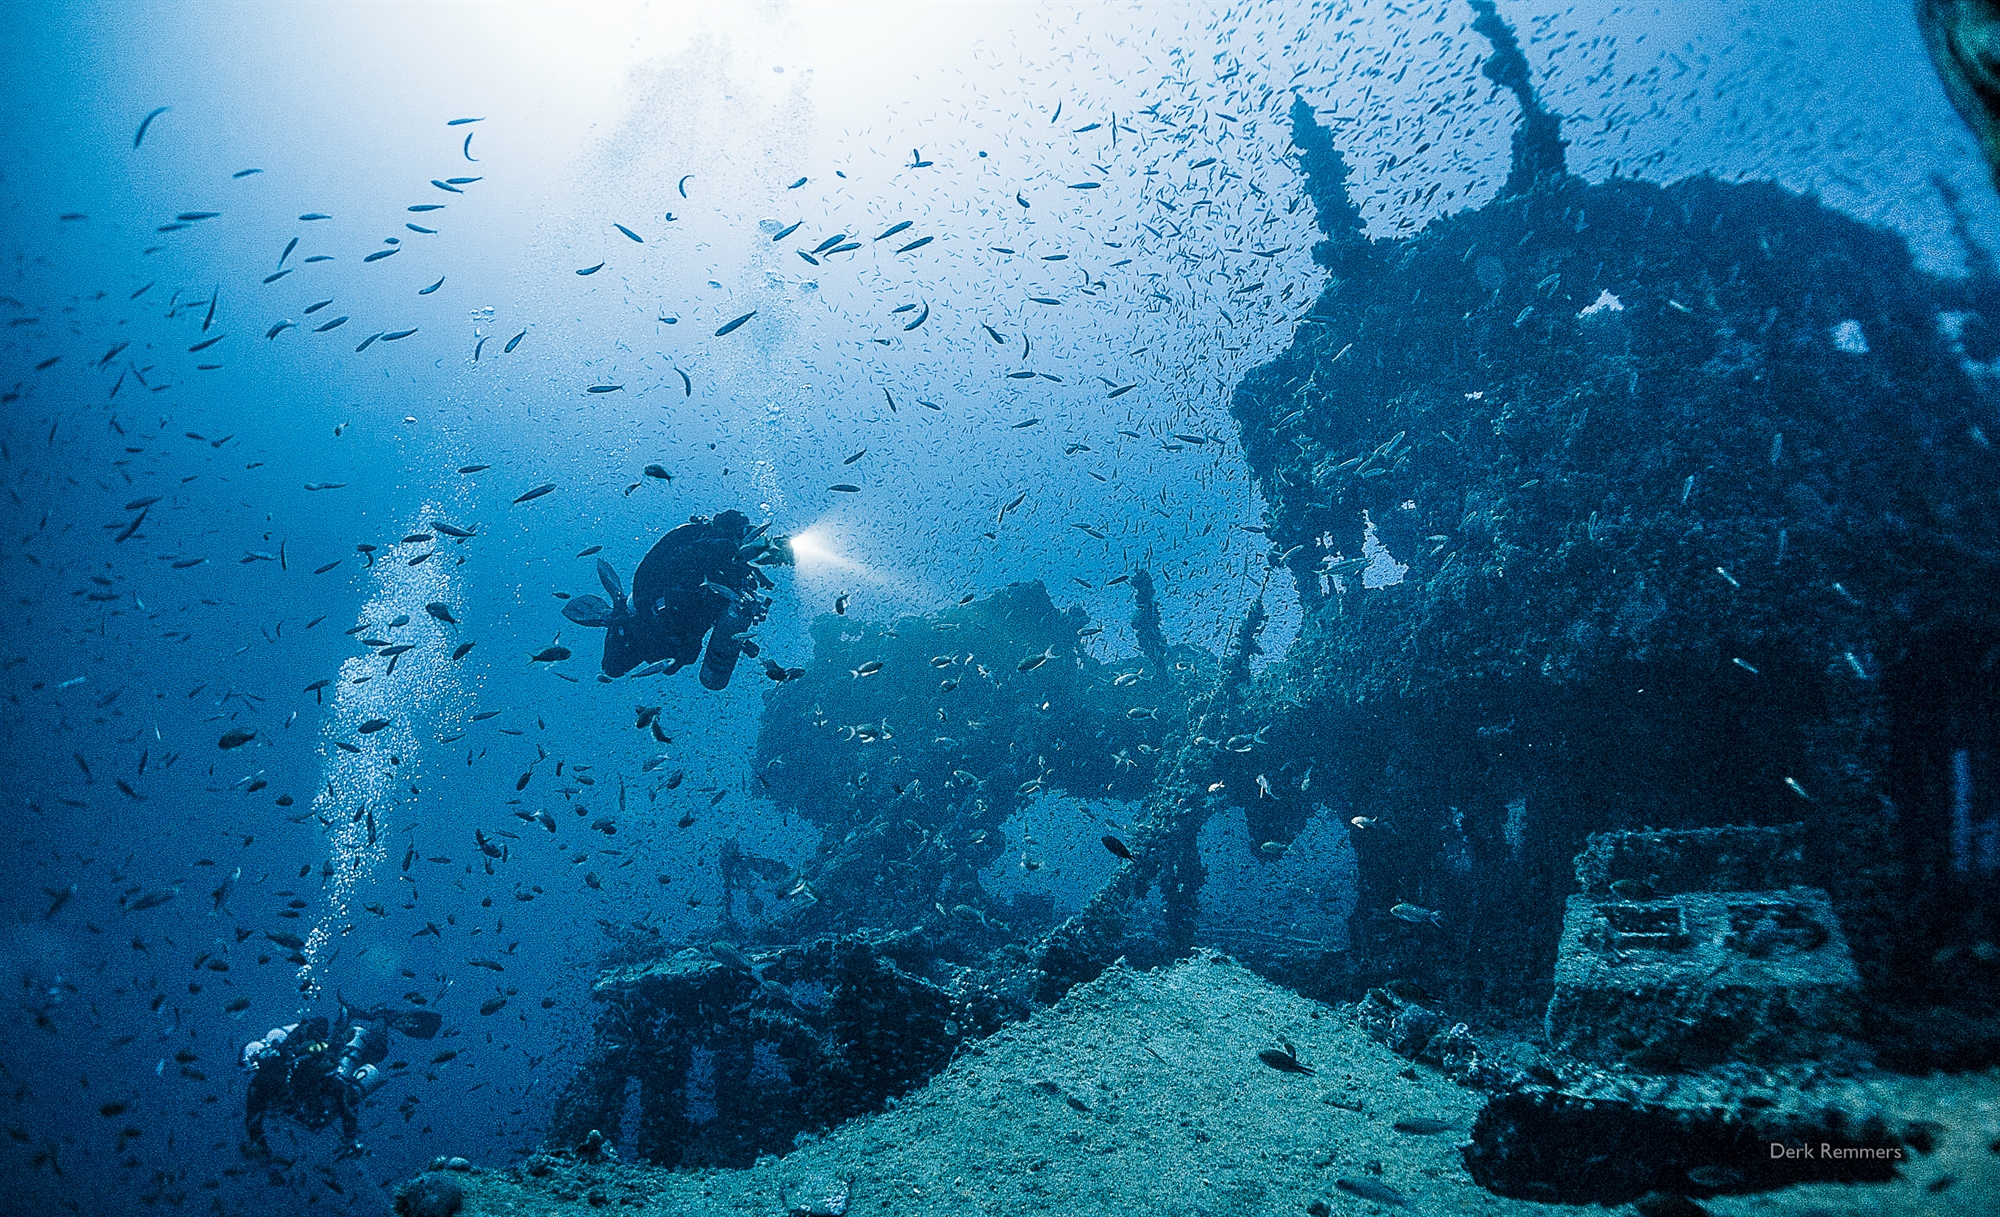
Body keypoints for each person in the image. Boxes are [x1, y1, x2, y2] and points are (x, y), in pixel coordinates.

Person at [567, 510, 792, 688]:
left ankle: (622, 612)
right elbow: (650, 571)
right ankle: (617, 610)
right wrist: (707, 550)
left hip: (682, 639)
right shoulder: (693, 537)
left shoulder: (739, 573)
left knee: (662, 663)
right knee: (612, 669)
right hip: (643, 619)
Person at [240, 1003, 438, 1159]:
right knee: (325, 1111)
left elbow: (340, 1092)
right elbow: (253, 1125)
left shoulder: (293, 1066)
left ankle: (381, 1016)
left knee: (376, 1050)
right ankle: (351, 1016)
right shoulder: (263, 1085)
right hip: (321, 1093)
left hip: (333, 1063)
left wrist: (350, 1137)